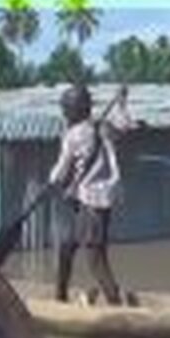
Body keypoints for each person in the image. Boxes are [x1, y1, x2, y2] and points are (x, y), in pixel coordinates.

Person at [48, 83, 133, 305]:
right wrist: (122, 103)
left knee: (95, 256)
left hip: (91, 202)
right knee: (67, 246)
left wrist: (52, 183)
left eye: (66, 109)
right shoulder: (103, 127)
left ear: (73, 111)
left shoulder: (73, 135)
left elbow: (61, 169)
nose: (64, 114)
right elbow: (124, 126)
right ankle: (59, 297)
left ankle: (115, 303)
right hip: (102, 200)